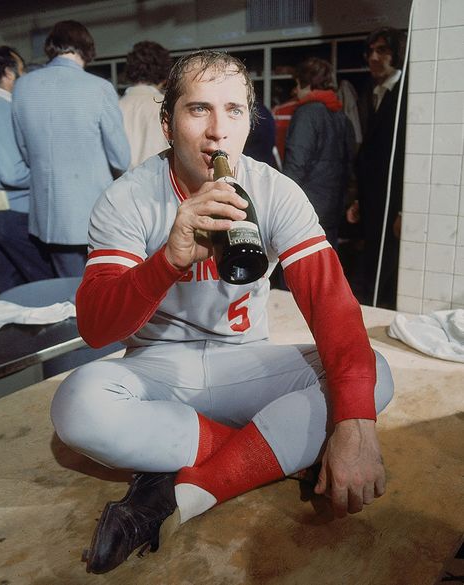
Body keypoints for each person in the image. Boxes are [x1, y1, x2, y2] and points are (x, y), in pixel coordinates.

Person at [50, 49, 394, 575]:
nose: (217, 131)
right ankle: (264, 448)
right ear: (167, 123)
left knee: (376, 377)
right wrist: (167, 260)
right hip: (160, 369)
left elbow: (332, 306)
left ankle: (192, 482)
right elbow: (97, 328)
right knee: (75, 404)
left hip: (244, 363)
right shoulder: (128, 198)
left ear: (248, 121)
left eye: (234, 110)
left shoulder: (275, 190)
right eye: (198, 110)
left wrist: (355, 424)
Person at [12, 20, 130, 278]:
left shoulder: (22, 87)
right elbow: (121, 158)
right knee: (100, 290)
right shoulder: (99, 88)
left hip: (49, 215)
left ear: (51, 48)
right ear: (86, 49)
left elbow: (24, 151)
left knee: (66, 290)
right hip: (93, 213)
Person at [348, 27, 407, 309]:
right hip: (374, 202)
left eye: (382, 50)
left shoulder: (406, 94)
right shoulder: (374, 92)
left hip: (393, 206)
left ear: (397, 53)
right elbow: (374, 156)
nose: (373, 57)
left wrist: (403, 209)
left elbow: (408, 158)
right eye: (370, 51)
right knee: (374, 264)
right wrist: (361, 198)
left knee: (390, 275)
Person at [0, 46, 54, 293]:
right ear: (8, 73)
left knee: (9, 281)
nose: (25, 75)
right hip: (16, 211)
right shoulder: (3, 108)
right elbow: (12, 172)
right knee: (43, 281)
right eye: (22, 69)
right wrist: (46, 174)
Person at [282, 58, 355, 250]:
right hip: (333, 205)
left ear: (305, 83)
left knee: (297, 263)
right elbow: (350, 162)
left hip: (306, 206)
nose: (295, 91)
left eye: (297, 84)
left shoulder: (306, 113)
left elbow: (296, 162)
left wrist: (283, 202)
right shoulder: (341, 115)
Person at [119, 40, 172, 168]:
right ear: (165, 77)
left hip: (120, 184)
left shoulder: (115, 107)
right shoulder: (168, 105)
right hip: (159, 182)